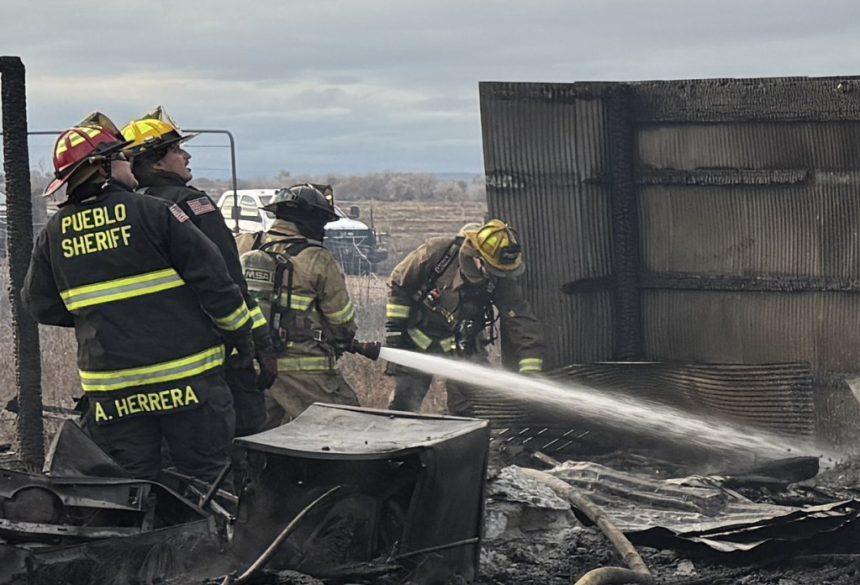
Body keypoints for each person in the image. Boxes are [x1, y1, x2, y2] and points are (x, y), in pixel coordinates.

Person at [22, 112, 255, 482]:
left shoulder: (53, 233)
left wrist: (101, 315)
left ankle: (144, 542)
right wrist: (243, 339)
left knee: (130, 489)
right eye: (122, 158)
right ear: (103, 169)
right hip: (188, 381)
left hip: (114, 392)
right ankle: (213, 542)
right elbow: (217, 283)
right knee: (206, 481)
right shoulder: (156, 213)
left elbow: (40, 305)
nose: (129, 165)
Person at [120, 107, 276, 436]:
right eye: (177, 150)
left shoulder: (126, 211)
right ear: (157, 162)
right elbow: (229, 280)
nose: (186, 155)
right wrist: (257, 342)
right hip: (210, 354)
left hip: (139, 362)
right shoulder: (192, 204)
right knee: (241, 441)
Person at [384, 219, 545, 415]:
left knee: (472, 409)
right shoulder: (438, 253)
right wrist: (395, 333)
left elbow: (523, 323)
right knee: (404, 405)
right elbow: (399, 283)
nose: (498, 276)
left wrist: (530, 372)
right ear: (478, 258)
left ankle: (461, 443)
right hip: (418, 341)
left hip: (464, 347)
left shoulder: (500, 279)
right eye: (494, 270)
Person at [236, 184, 360, 426]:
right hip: (304, 368)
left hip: (251, 365)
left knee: (255, 436)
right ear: (311, 219)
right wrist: (344, 340)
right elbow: (341, 319)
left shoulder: (245, 243)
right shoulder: (318, 258)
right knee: (348, 425)